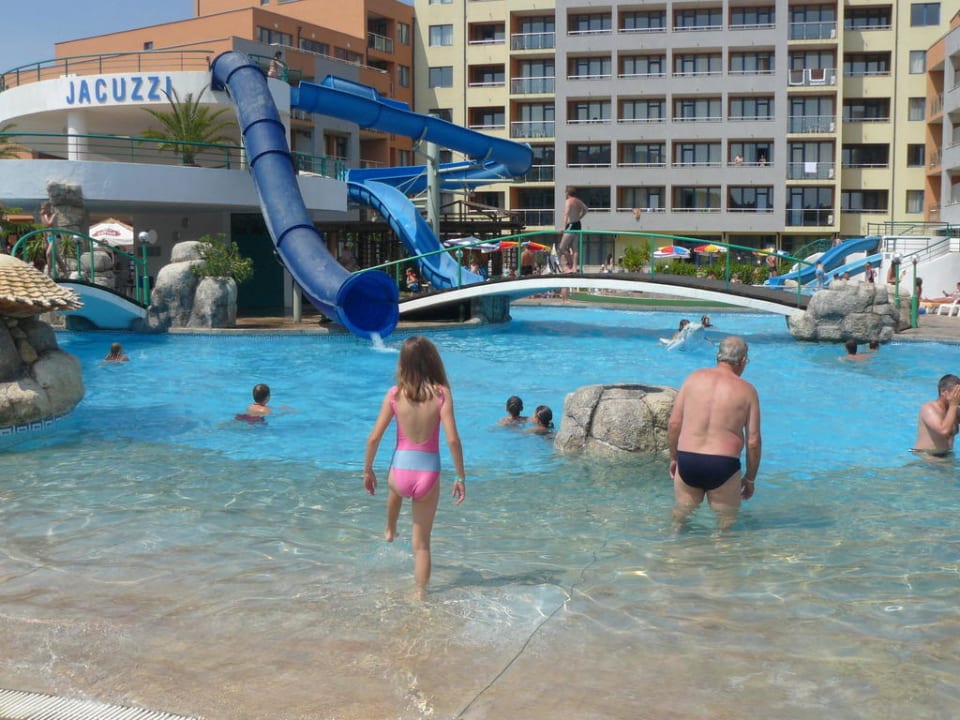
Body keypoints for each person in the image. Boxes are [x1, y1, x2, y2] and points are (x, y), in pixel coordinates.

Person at [363, 336, 466, 596]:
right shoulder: (442, 394)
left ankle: (390, 527)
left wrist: (367, 470)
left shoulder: (395, 395)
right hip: (428, 473)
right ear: (433, 361)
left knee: (395, 487)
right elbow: (453, 440)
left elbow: (374, 437)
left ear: (403, 363)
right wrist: (460, 477)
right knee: (421, 545)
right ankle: (420, 594)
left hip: (400, 469)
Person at [667, 336, 761, 530]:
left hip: (688, 460)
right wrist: (750, 478)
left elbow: (674, 424)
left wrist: (674, 458)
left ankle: (673, 545)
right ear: (743, 361)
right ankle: (720, 548)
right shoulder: (747, 391)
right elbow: (753, 441)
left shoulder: (693, 379)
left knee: (680, 517)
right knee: (726, 524)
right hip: (722, 464)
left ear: (718, 356)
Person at [913, 374, 960, 456]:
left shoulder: (954, 410)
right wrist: (953, 404)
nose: (958, 397)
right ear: (943, 392)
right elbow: (944, 431)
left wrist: (954, 405)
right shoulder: (928, 409)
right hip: (926, 456)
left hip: (946, 456)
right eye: (956, 393)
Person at [558, 186, 588, 274]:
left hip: (570, 225)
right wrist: (579, 217)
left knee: (560, 249)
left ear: (567, 193)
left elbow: (566, 214)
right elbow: (586, 209)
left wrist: (563, 228)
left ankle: (566, 268)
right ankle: (574, 267)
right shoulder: (578, 201)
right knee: (575, 249)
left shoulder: (568, 201)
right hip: (577, 225)